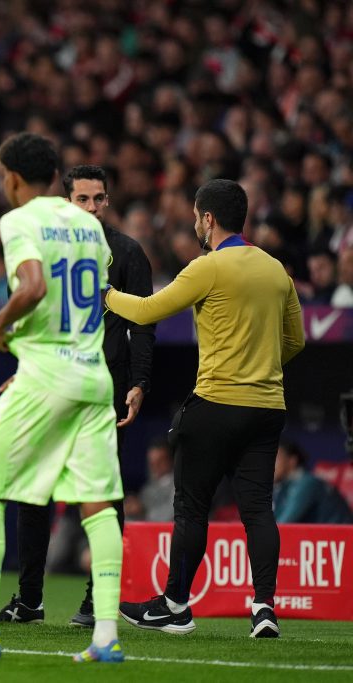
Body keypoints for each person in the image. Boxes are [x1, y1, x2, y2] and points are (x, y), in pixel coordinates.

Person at [0, 133, 125, 663]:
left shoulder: (18, 221)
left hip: (45, 371)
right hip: (94, 374)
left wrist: (1, 320)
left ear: (13, 177)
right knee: (99, 504)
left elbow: (34, 285)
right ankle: (106, 638)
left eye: (0, 174)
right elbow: (96, 293)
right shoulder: (90, 224)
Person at [108, 179, 305, 639]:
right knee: (258, 508)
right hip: (267, 407)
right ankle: (264, 608)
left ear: (208, 219)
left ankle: (175, 606)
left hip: (215, 403)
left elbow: (145, 310)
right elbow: (295, 341)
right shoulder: (277, 271)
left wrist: (103, 294)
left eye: (197, 216)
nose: (196, 223)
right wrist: (261, 367)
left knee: (191, 508)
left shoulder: (207, 267)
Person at [0, 164, 155, 629]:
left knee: (101, 494)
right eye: (83, 198)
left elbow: (143, 322)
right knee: (33, 489)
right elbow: (36, 318)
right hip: (49, 383)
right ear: (67, 200)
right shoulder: (46, 249)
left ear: (107, 201)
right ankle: (29, 601)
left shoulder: (126, 252)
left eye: (99, 199)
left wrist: (140, 382)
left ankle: (96, 601)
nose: (91, 206)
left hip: (104, 385)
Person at [273, 441, 353, 524]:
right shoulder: (283, 486)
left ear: (292, 461)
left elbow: (282, 525)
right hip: (320, 535)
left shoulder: (307, 483)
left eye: (275, 458)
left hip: (341, 535)